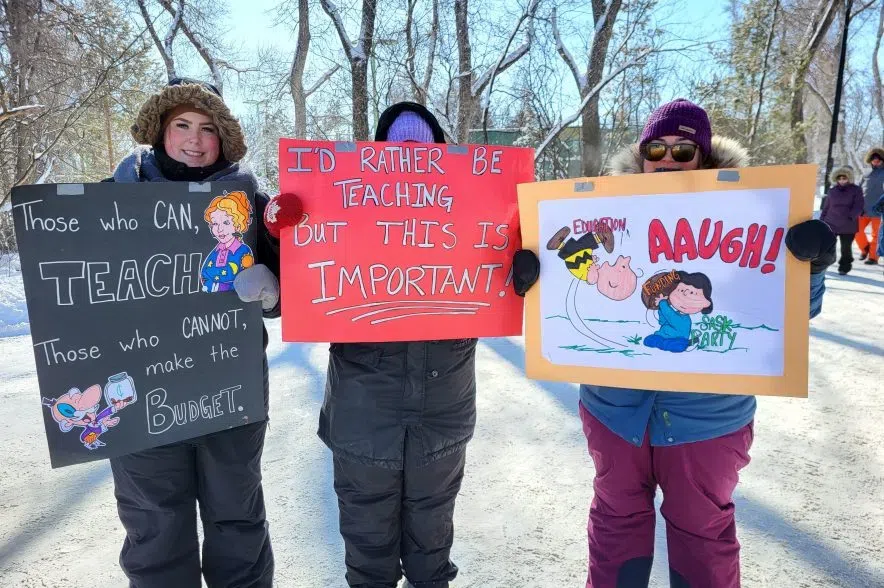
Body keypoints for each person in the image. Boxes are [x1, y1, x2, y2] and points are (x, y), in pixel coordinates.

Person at [512, 98, 835, 588]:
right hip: (613, 410)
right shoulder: (599, 215)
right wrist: (533, 278)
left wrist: (809, 267)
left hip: (707, 419)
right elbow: (571, 299)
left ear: (703, 158)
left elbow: (789, 312)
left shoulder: (751, 212)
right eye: (656, 148)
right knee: (615, 524)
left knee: (703, 534)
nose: (667, 158)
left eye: (684, 151)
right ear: (641, 155)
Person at [264, 102, 471, 588]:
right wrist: (281, 238)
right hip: (363, 419)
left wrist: (526, 268)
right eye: (398, 148)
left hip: (441, 416)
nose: (410, 158)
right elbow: (294, 293)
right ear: (378, 156)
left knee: (431, 551)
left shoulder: (467, 215)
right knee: (368, 554)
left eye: (421, 148)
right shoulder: (345, 208)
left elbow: (515, 276)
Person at [105, 77, 280, 588]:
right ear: (160, 130)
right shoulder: (110, 200)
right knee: (156, 528)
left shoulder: (249, 200)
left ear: (223, 137)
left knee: (238, 522)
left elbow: (290, 288)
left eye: (208, 128)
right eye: (182, 125)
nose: (194, 139)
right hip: (141, 394)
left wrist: (272, 288)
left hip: (230, 394)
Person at [820, 166, 864, 274]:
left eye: (844, 178)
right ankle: (824, 265)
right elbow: (827, 206)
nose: (842, 180)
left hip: (848, 224)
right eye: (839, 178)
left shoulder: (856, 190)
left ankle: (844, 266)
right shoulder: (832, 191)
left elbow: (859, 205)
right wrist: (822, 219)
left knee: (846, 248)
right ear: (836, 179)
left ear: (849, 178)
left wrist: (851, 216)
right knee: (828, 246)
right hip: (831, 222)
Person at [857, 146, 884, 265]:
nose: (876, 160)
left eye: (878, 158)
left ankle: (873, 257)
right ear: (870, 160)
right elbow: (858, 189)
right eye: (873, 158)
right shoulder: (866, 173)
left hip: (879, 210)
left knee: (876, 234)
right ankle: (865, 248)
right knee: (855, 230)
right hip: (863, 209)